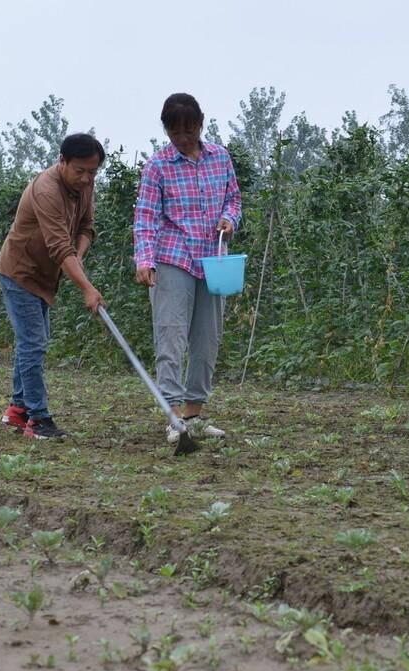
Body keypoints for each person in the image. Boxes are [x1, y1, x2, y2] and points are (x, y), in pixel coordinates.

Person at [134, 93, 242, 444]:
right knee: (171, 335)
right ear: (165, 130)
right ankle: (173, 418)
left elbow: (233, 198)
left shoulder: (220, 157)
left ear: (201, 123)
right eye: (176, 132)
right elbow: (146, 218)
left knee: (207, 339)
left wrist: (229, 219)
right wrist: (145, 259)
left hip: (213, 258)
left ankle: (194, 415)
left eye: (190, 129)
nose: (183, 138)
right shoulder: (158, 167)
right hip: (173, 259)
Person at [0, 132, 106, 440]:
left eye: (92, 172)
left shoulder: (84, 186)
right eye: (80, 170)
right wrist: (87, 288)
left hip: (46, 276)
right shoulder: (47, 189)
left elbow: (86, 227)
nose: (86, 178)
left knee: (34, 341)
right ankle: (38, 419)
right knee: (34, 343)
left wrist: (79, 255)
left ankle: (18, 409)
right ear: (62, 161)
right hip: (21, 271)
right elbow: (59, 246)